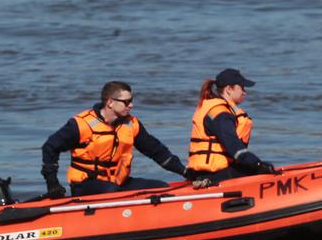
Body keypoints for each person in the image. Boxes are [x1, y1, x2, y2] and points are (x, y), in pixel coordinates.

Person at [41, 81, 191, 198]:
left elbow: (157, 151)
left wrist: (185, 172)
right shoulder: (81, 124)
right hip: (85, 185)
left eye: (131, 100)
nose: (131, 105)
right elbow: (50, 147)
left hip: (118, 182)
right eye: (126, 102)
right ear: (110, 103)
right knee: (112, 191)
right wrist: (52, 183)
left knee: (161, 187)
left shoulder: (131, 124)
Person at [186, 68, 279, 184]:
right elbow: (233, 145)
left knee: (257, 167)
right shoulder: (220, 114)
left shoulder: (219, 109)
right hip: (213, 174)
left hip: (208, 172)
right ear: (229, 89)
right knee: (263, 170)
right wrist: (258, 164)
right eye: (242, 88)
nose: (244, 92)